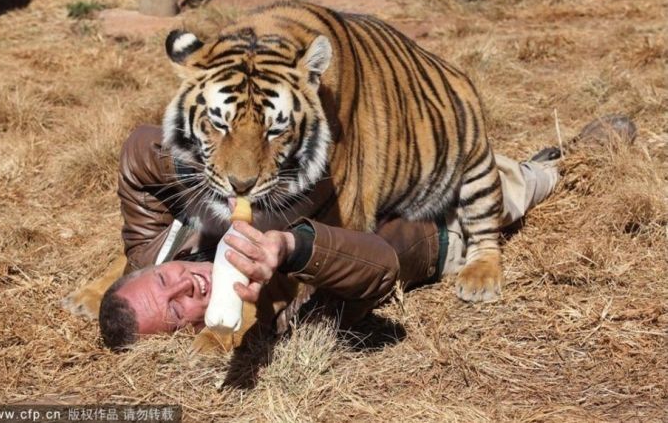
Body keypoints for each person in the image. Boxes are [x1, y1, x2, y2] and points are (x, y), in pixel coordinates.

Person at [98, 115, 636, 351]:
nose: (185, 286)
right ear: (180, 336)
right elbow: (378, 266)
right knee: (515, 186)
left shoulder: (165, 245)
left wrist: (219, 172)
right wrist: (291, 249)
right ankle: (566, 161)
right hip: (436, 225)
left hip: (385, 176)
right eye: (175, 310)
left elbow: (138, 148)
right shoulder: (260, 321)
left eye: (166, 278)